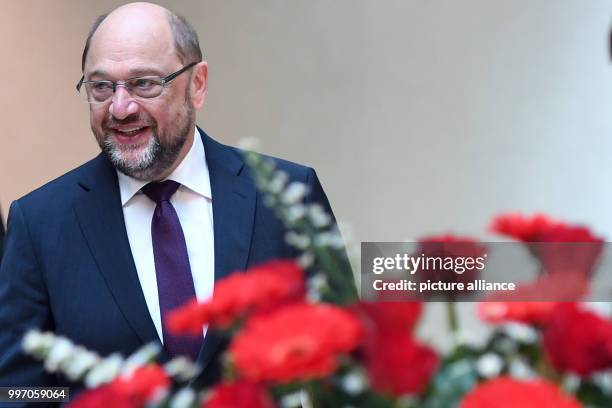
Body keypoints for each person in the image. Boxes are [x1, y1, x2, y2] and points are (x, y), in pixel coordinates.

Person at [0, 2, 347, 390]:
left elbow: (348, 364)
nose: (120, 107)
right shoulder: (40, 223)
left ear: (197, 85)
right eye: (100, 87)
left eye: (144, 83)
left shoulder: (286, 197)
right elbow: (17, 389)